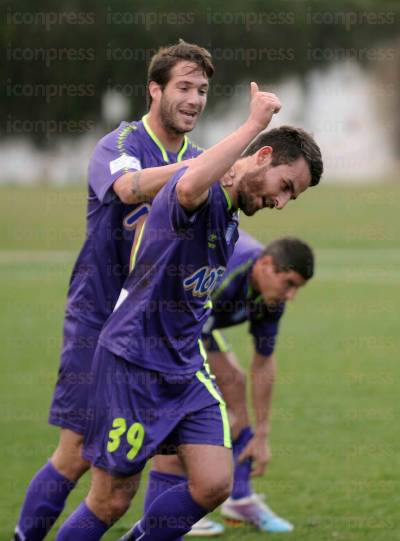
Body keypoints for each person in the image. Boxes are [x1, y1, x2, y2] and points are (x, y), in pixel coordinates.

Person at [54, 82, 323, 541]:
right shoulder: (200, 191)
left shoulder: (233, 219)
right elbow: (190, 184)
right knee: (111, 500)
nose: (280, 203)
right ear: (260, 157)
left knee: (215, 482)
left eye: (290, 198)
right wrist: (255, 123)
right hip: (132, 363)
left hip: (182, 368)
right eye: (284, 187)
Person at [13, 40, 214, 541]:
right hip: (98, 323)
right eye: (184, 87)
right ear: (155, 89)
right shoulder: (120, 144)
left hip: (154, 334)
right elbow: (130, 190)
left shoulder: (199, 156)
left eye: (203, 90)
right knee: (77, 453)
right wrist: (205, 171)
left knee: (160, 453)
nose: (194, 99)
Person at [147, 232, 314, 536]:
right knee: (179, 412)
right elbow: (175, 324)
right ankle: (169, 509)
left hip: (195, 326)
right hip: (160, 321)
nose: (291, 296)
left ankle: (239, 497)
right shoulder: (224, 275)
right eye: (289, 284)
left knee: (234, 384)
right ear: (265, 265)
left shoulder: (270, 299)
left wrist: (262, 432)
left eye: (297, 288)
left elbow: (263, 363)